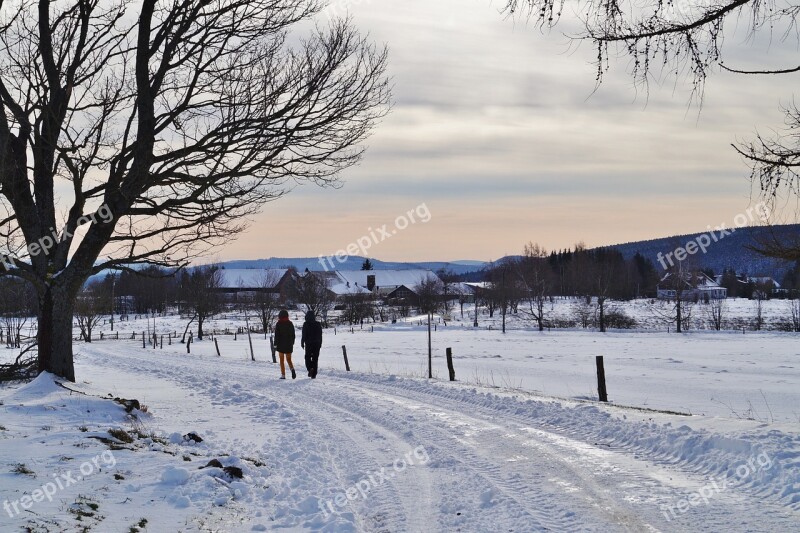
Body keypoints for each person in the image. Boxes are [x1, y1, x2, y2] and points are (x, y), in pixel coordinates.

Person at [274, 309, 296, 379]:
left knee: (281, 360)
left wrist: (275, 344)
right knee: (289, 359)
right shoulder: (290, 323)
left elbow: (277, 335)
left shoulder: (278, 324)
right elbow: (293, 334)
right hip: (289, 344)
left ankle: (283, 375)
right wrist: (292, 342)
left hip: (281, 345)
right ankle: (292, 369)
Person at [301, 310, 323, 379]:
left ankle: (310, 368)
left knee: (307, 357)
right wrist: (320, 343)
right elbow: (320, 334)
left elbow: (304, 335)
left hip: (309, 343)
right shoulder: (318, 324)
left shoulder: (305, 324)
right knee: (315, 359)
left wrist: (302, 342)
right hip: (317, 343)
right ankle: (314, 374)